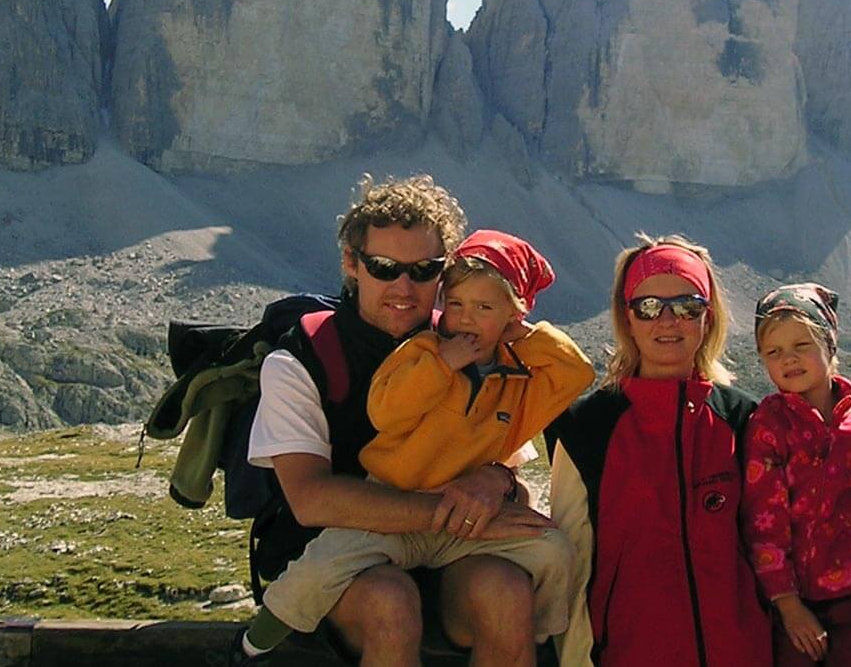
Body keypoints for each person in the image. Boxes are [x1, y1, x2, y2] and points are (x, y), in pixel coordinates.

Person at [241, 175, 557, 667]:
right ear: (352, 263)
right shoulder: (301, 358)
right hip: (332, 554)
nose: (404, 289)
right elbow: (310, 498)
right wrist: (447, 515)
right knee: (391, 605)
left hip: (447, 552)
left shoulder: (469, 343)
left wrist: (495, 480)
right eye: (384, 268)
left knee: (506, 594)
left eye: (424, 269)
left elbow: (508, 465)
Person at [545, 235, 773, 667]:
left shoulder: (745, 420)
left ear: (708, 317)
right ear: (626, 317)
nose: (668, 321)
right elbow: (570, 566)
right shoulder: (585, 428)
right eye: (649, 307)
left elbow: (782, 538)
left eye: (688, 306)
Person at [741, 283, 851, 667]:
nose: (788, 359)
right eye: (773, 352)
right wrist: (787, 604)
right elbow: (763, 523)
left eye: (802, 345)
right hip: (790, 607)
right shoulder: (768, 428)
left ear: (829, 345)